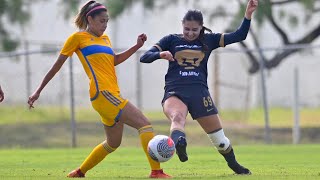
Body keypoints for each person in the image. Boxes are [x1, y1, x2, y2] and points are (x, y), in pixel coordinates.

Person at [27, 1, 171, 178]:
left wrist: (136, 46)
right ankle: (156, 171)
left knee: (113, 143)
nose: (105, 25)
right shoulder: (77, 38)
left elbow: (114, 60)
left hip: (110, 95)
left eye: (107, 21)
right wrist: (38, 91)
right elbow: (57, 66)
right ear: (90, 19)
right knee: (144, 124)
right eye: (102, 21)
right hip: (103, 93)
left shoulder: (105, 39)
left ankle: (79, 172)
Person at [140, 0, 258, 175]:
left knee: (220, 141)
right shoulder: (171, 40)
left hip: (199, 93)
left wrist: (248, 14)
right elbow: (145, 57)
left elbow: (239, 35)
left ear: (201, 27)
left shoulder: (209, 40)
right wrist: (160, 54)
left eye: (194, 30)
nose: (190, 33)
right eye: (187, 29)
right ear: (182, 25)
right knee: (177, 117)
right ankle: (180, 144)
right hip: (175, 91)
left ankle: (234, 166)